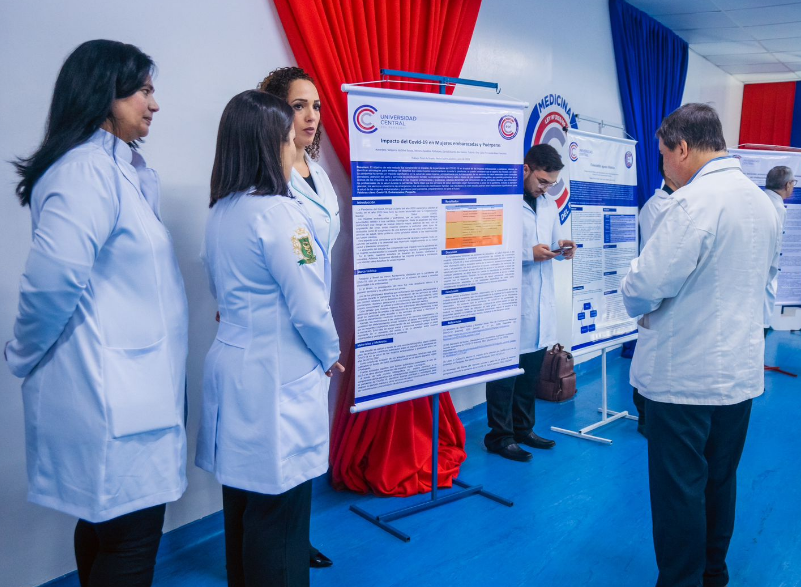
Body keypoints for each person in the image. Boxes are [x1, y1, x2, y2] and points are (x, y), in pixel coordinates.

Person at [6, 40, 188, 587]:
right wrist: (21, 355)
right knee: (128, 539)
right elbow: (51, 283)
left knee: (109, 526)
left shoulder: (120, 169)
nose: (154, 105)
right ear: (102, 94)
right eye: (143, 91)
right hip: (110, 396)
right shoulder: (85, 171)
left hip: (129, 393)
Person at [621, 103, 781, 587]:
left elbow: (644, 286)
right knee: (719, 481)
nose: (664, 166)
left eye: (664, 155)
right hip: (738, 376)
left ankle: (681, 581)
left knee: (679, 491)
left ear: (683, 149)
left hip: (683, 378)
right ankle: (713, 573)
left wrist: (633, 286)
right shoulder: (762, 203)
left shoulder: (693, 204)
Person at [195, 90, 342, 587]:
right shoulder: (278, 214)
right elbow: (308, 304)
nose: (293, 147)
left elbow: (220, 291)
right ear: (266, 145)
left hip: (233, 367)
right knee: (280, 517)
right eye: (285, 138)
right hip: (278, 373)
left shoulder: (221, 210)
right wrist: (331, 354)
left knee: (242, 503)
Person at [258, 67, 339, 569]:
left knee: (305, 445)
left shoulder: (318, 170)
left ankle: (296, 538)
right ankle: (278, 545)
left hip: (312, 319)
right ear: (272, 112)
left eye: (314, 106)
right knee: (280, 451)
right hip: (285, 328)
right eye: (297, 106)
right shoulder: (267, 175)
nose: (310, 116)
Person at [484, 143, 576, 462]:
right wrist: (528, 255)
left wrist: (562, 246)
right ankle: (500, 436)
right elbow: (488, 250)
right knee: (504, 375)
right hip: (509, 300)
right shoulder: (503, 203)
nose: (546, 188)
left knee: (529, 372)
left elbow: (551, 241)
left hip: (540, 300)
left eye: (551, 183)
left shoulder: (547, 204)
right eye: (542, 181)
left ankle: (524, 429)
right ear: (525, 169)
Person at [631, 154, 679, 436]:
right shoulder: (657, 207)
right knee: (647, 356)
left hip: (662, 289)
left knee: (653, 354)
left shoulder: (669, 205)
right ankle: (644, 415)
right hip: (653, 287)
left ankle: (649, 413)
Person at [763, 165, 794, 335]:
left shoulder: (761, 199)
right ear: (788, 184)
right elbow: (773, 249)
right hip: (764, 276)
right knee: (762, 321)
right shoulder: (778, 208)